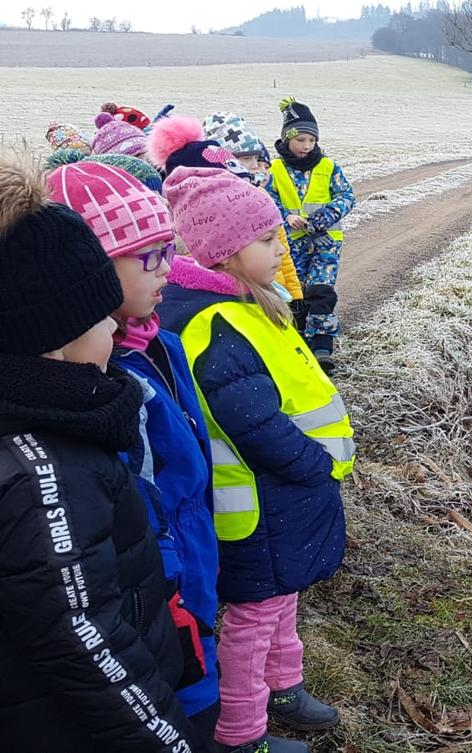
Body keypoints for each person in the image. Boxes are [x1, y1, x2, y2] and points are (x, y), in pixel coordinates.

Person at [0, 155, 203, 752]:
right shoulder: (44, 470)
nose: (115, 333)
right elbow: (87, 641)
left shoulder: (53, 421)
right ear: (52, 340)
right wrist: (173, 740)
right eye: (99, 318)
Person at [157, 166, 354, 753]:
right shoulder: (216, 322)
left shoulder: (248, 303)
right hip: (261, 501)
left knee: (281, 600)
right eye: (266, 240)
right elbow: (251, 421)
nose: (280, 248)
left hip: (284, 497)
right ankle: (243, 736)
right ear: (223, 251)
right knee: (252, 617)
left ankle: (284, 687)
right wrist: (313, 464)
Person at [47, 160, 223, 741]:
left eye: (170, 249)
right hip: (154, 585)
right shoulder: (100, 382)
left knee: (202, 673)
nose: (169, 269)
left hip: (192, 556)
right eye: (150, 256)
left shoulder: (161, 344)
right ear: (92, 271)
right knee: (177, 699)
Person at [266, 97, 355, 370]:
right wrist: (285, 215)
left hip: (326, 242)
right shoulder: (275, 169)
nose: (306, 146)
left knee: (320, 291)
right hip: (291, 244)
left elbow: (347, 196)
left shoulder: (328, 167)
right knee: (295, 292)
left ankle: (322, 345)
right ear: (287, 140)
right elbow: (265, 199)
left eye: (311, 141)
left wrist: (323, 217)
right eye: (300, 140)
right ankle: (299, 339)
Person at [203, 111, 304, 301]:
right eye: (246, 159)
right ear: (224, 160)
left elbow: (283, 253)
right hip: (241, 296)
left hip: (277, 293)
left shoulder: (262, 197)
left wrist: (295, 294)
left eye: (256, 159)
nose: (254, 166)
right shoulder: (209, 210)